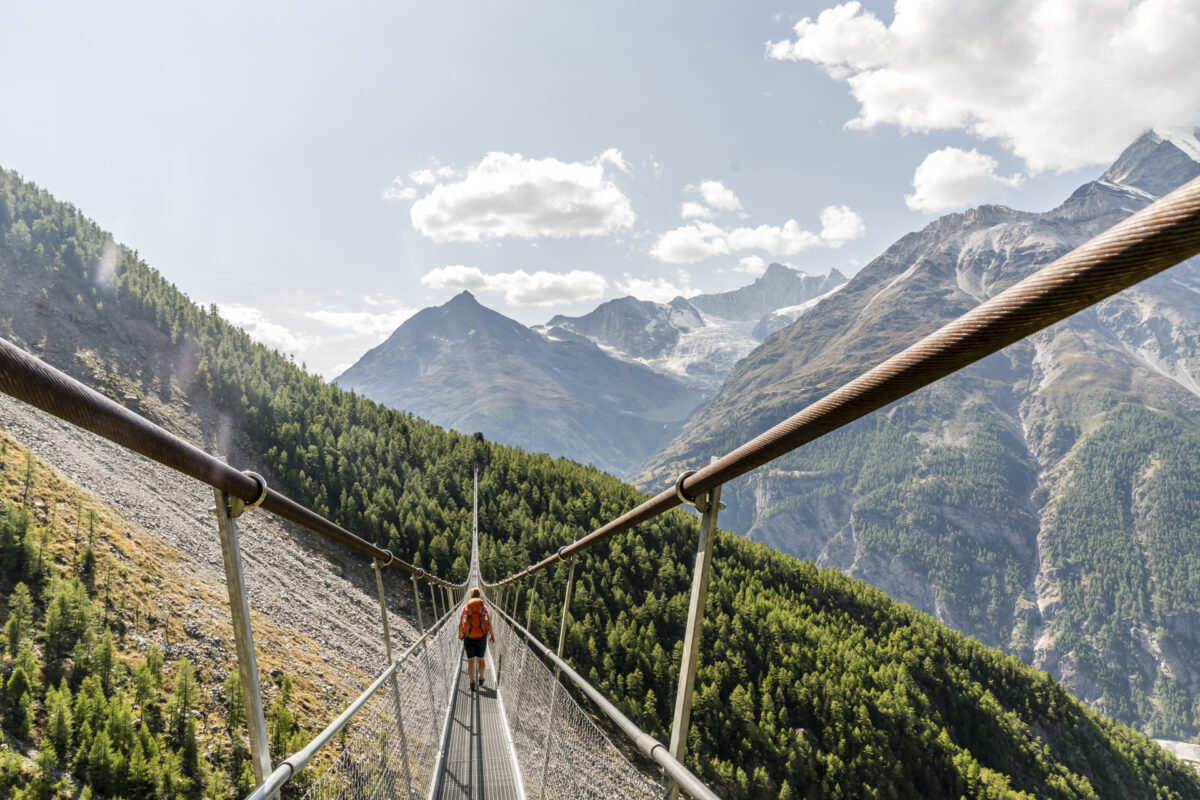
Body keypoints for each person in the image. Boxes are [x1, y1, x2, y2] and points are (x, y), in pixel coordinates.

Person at [459, 587, 494, 691]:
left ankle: (472, 682)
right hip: (481, 637)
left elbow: (461, 622)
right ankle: (481, 677)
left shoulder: (466, 607)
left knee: (470, 661)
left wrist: (459, 633)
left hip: (468, 637)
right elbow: (489, 623)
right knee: (481, 659)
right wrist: (492, 635)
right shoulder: (484, 608)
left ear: (470, 596)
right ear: (479, 596)